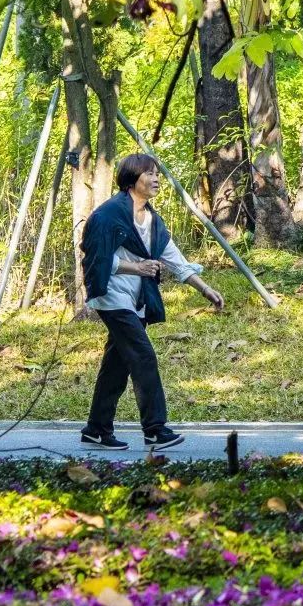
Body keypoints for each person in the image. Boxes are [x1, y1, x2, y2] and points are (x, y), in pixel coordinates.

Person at [80, 152, 224, 451]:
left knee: (116, 365)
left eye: (157, 173)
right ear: (133, 179)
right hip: (112, 297)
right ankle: (155, 430)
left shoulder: (153, 220)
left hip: (138, 299)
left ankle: (96, 429)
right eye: (149, 173)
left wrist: (205, 289)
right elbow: (97, 259)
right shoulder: (108, 215)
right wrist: (137, 267)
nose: (156, 178)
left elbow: (174, 259)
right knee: (143, 356)